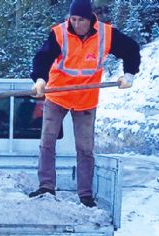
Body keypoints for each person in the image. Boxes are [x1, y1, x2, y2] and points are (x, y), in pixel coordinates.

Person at [29, 0, 140, 207]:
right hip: (57, 95)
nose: (76, 23)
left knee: (85, 148)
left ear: (90, 19)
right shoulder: (59, 33)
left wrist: (129, 74)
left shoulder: (106, 34)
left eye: (81, 20)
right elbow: (42, 57)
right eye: (73, 19)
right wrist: (40, 79)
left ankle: (85, 196)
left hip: (86, 97)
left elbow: (131, 49)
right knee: (47, 142)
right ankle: (46, 188)